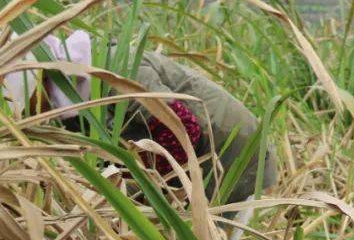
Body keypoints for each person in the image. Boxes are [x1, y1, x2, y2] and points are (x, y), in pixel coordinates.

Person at [3, 29, 276, 203]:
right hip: (197, 164)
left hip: (232, 152)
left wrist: (152, 197)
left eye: (28, 104)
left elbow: (180, 128)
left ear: (39, 80)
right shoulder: (67, 105)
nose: (32, 113)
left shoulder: (114, 67)